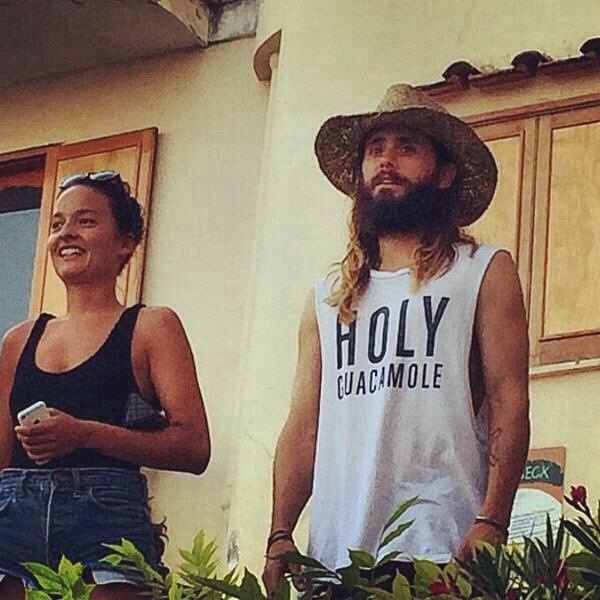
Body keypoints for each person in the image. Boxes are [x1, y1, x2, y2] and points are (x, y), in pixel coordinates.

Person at [262, 84, 530, 593]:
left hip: (443, 546)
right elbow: (302, 427)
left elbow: (509, 400)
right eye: (375, 149)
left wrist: (493, 519)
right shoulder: (328, 297)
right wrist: (279, 533)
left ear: (445, 173)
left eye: (407, 147)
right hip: (336, 557)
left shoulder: (482, 270)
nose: (386, 161)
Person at [0, 170, 211, 599]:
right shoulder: (18, 340)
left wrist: (83, 434)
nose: (66, 233)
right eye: (57, 223)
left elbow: (194, 447)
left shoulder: (151, 326)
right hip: (12, 524)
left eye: (86, 221)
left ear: (125, 242)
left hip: (106, 526)